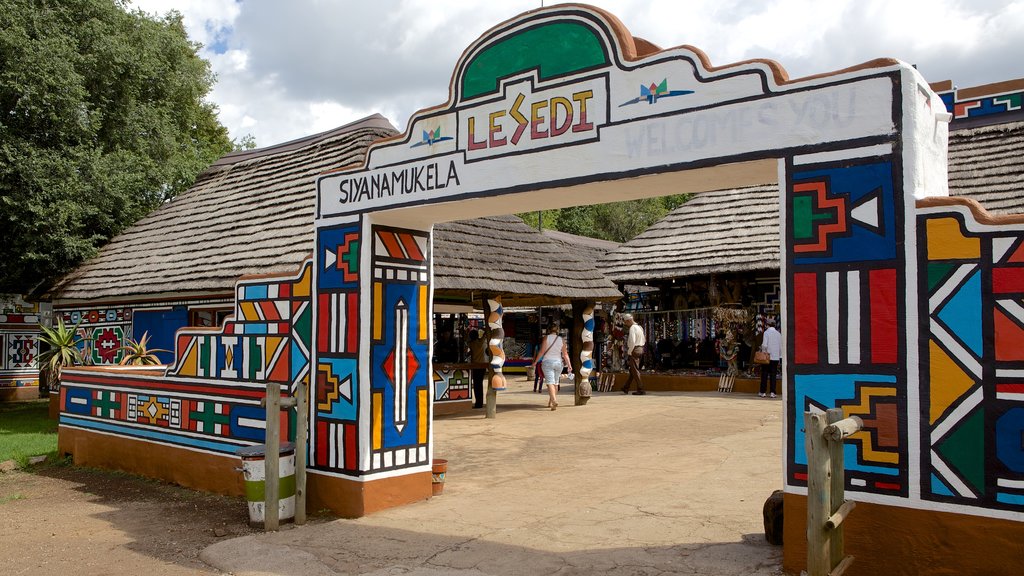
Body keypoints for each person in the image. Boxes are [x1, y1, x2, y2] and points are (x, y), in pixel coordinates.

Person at [532, 323, 570, 410]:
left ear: (548, 330)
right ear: (557, 330)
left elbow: (541, 352)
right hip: (558, 363)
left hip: (548, 362)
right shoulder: (562, 340)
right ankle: (551, 403)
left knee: (550, 383)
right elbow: (565, 354)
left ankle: (554, 400)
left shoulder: (546, 338)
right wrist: (569, 365)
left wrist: (535, 362)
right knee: (555, 383)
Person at [620, 314, 646, 395]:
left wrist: (630, 352)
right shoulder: (639, 327)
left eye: (625, 322)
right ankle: (626, 387)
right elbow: (644, 339)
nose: (626, 324)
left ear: (628, 321)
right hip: (641, 348)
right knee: (632, 370)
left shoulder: (632, 328)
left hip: (635, 349)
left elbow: (632, 341)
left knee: (634, 370)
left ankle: (641, 389)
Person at [760, 318, 782, 398]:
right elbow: (780, 346)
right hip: (775, 357)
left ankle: (763, 392)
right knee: (773, 374)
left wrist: (763, 352)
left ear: (767, 325)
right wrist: (780, 356)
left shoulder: (766, 333)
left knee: (764, 373)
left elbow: (764, 345)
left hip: (767, 356)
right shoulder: (778, 334)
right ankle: (773, 392)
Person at [467, 329, 488, 409]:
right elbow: (485, 334)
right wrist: (484, 328)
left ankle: (478, 403)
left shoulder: (471, 344)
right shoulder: (481, 342)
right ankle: (480, 403)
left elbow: (468, 352)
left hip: (475, 366)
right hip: (482, 366)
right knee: (480, 384)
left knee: (476, 385)